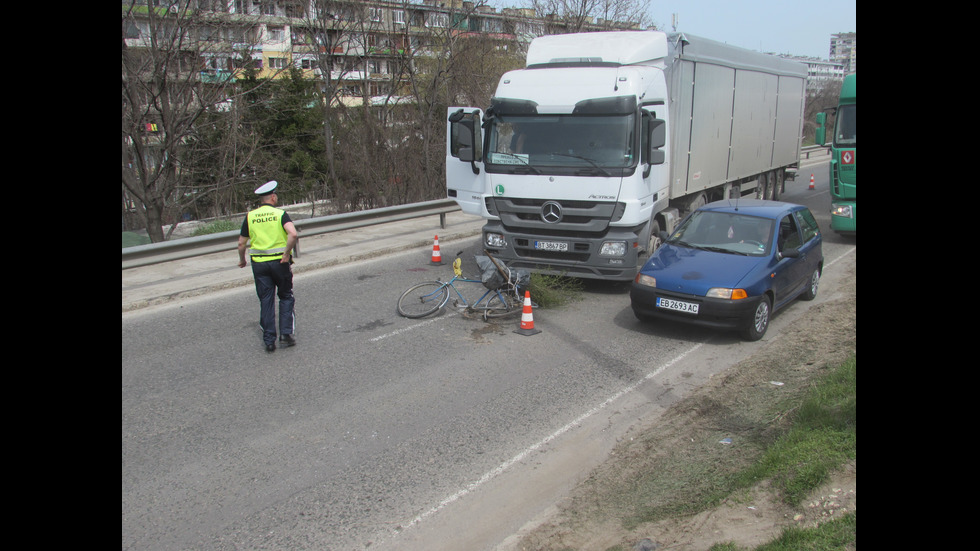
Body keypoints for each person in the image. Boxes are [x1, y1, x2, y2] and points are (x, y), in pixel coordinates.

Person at [238, 181, 299, 352]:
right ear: (273, 197)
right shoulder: (280, 214)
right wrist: (287, 252)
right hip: (280, 262)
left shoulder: (250, 216)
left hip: (259, 264)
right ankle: (286, 335)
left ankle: (269, 341)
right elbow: (293, 234)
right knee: (286, 296)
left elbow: (241, 243)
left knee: (266, 300)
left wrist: (242, 260)